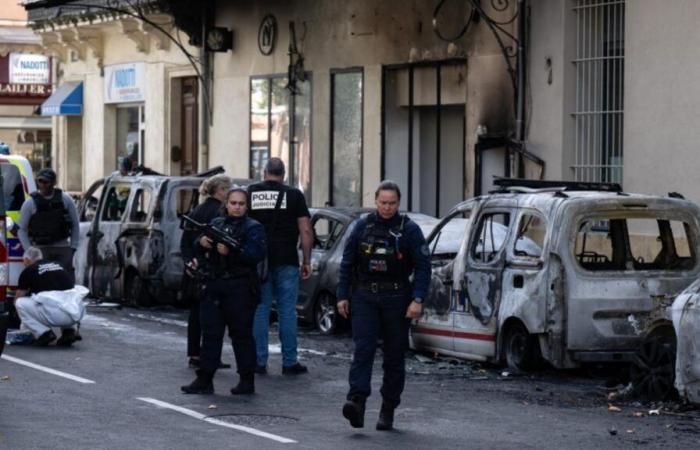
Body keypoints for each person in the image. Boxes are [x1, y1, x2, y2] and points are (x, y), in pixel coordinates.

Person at [336, 181, 430, 431]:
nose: (387, 207)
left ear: (398, 204)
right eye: (383, 202)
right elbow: (347, 262)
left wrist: (418, 299)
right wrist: (342, 295)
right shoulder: (362, 226)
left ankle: (388, 408)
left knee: (394, 356)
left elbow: (423, 267)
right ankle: (356, 402)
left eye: (392, 203)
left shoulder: (409, 230)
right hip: (365, 296)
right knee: (363, 350)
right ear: (375, 201)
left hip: (397, 299)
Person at [181, 188, 267, 395]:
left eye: (241, 204)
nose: (237, 207)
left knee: (242, 336)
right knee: (210, 333)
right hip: (214, 285)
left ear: (246, 206)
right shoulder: (217, 224)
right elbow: (197, 245)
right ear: (226, 204)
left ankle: (247, 380)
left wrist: (232, 252)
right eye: (233, 203)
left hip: (239, 287)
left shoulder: (253, 228)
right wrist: (201, 243)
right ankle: (204, 379)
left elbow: (255, 255)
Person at [247, 157, 313, 376]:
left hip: (259, 261)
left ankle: (258, 361)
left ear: (265, 172)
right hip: (287, 259)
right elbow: (305, 231)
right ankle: (289, 362)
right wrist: (306, 260)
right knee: (287, 312)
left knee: (260, 310)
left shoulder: (252, 193)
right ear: (283, 175)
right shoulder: (294, 195)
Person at [180, 174, 233, 369]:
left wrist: (190, 262)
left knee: (195, 314)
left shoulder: (196, 211)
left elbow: (185, 242)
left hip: (194, 269)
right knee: (214, 316)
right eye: (228, 190)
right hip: (212, 269)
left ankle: (194, 353)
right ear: (220, 191)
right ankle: (211, 357)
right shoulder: (219, 213)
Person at [14, 247, 86, 347]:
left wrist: (19, 316)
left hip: (53, 316)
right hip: (74, 313)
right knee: (66, 297)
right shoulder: (59, 265)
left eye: (24, 262)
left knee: (19, 303)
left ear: (26, 260)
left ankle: (44, 334)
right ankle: (69, 331)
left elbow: (19, 296)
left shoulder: (29, 270)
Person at [18, 168, 80, 282]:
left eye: (46, 182)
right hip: (40, 249)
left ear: (53, 183)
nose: (43, 185)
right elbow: (21, 229)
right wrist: (29, 250)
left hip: (62, 248)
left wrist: (73, 248)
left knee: (66, 283)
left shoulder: (65, 199)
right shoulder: (30, 202)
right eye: (40, 181)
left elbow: (75, 225)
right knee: (40, 283)